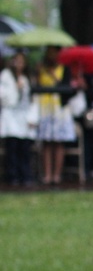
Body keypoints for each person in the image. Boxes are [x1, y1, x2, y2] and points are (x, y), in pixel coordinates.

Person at [35, 45, 80, 185]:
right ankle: (47, 174)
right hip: (44, 107)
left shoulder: (64, 69)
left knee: (59, 142)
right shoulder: (40, 68)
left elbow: (67, 88)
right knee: (46, 142)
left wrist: (54, 75)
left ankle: (57, 175)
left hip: (59, 109)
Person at [0, 51, 37, 185]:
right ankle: (12, 176)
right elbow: (3, 97)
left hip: (24, 115)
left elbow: (33, 99)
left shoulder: (28, 77)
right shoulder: (6, 75)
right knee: (12, 148)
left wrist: (33, 118)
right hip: (11, 116)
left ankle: (25, 175)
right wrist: (15, 88)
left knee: (25, 149)